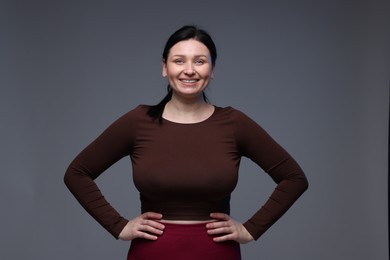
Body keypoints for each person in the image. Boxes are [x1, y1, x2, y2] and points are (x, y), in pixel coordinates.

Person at [64, 25, 308, 260]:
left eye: (199, 61)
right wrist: (118, 226)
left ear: (212, 70)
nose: (189, 70)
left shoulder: (234, 123)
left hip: (217, 253)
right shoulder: (139, 121)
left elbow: (294, 178)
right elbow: (77, 173)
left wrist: (251, 229)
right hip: (151, 253)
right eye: (179, 60)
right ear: (164, 67)